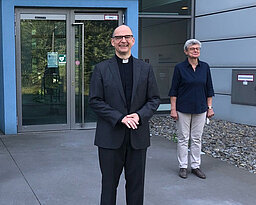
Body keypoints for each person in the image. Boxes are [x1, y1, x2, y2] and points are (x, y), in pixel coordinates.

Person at [89, 25, 160, 205]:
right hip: (110, 138)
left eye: (127, 37)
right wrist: (119, 117)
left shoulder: (146, 69)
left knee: (136, 186)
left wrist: (138, 115)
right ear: (113, 42)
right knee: (109, 185)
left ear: (133, 41)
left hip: (137, 137)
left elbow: (154, 99)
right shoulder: (101, 69)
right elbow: (95, 101)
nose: (123, 41)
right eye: (119, 37)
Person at [169, 39, 214, 179]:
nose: (195, 50)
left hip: (200, 109)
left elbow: (209, 89)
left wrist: (210, 108)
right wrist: (173, 109)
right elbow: (174, 90)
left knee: (196, 138)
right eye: (192, 48)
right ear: (186, 51)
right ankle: (183, 166)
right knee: (183, 138)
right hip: (183, 109)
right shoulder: (180, 68)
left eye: (197, 48)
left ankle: (195, 166)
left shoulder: (205, 67)